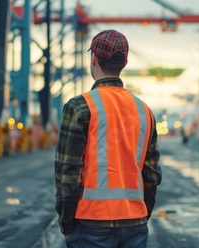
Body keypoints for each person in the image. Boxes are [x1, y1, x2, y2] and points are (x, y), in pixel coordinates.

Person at [55, 29, 162, 248]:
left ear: (93, 58)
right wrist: (141, 216)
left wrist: (66, 224)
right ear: (125, 61)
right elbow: (151, 175)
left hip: (90, 224)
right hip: (135, 223)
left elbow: (67, 174)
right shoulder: (144, 111)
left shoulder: (79, 107)